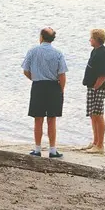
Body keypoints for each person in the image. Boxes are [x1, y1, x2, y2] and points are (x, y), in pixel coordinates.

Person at [21, 26, 67, 159]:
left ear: (41, 37)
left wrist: (34, 78)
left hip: (38, 86)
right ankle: (52, 150)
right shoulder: (58, 53)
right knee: (52, 119)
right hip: (53, 87)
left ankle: (37, 149)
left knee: (38, 119)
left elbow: (25, 70)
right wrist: (61, 90)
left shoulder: (32, 51)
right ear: (52, 39)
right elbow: (62, 74)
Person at [82, 27, 105, 154]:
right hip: (92, 87)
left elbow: (103, 75)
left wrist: (95, 87)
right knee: (93, 115)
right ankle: (95, 142)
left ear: (97, 40)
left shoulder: (102, 54)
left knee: (98, 115)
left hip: (98, 88)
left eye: (92, 38)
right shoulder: (95, 51)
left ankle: (100, 145)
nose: (90, 40)